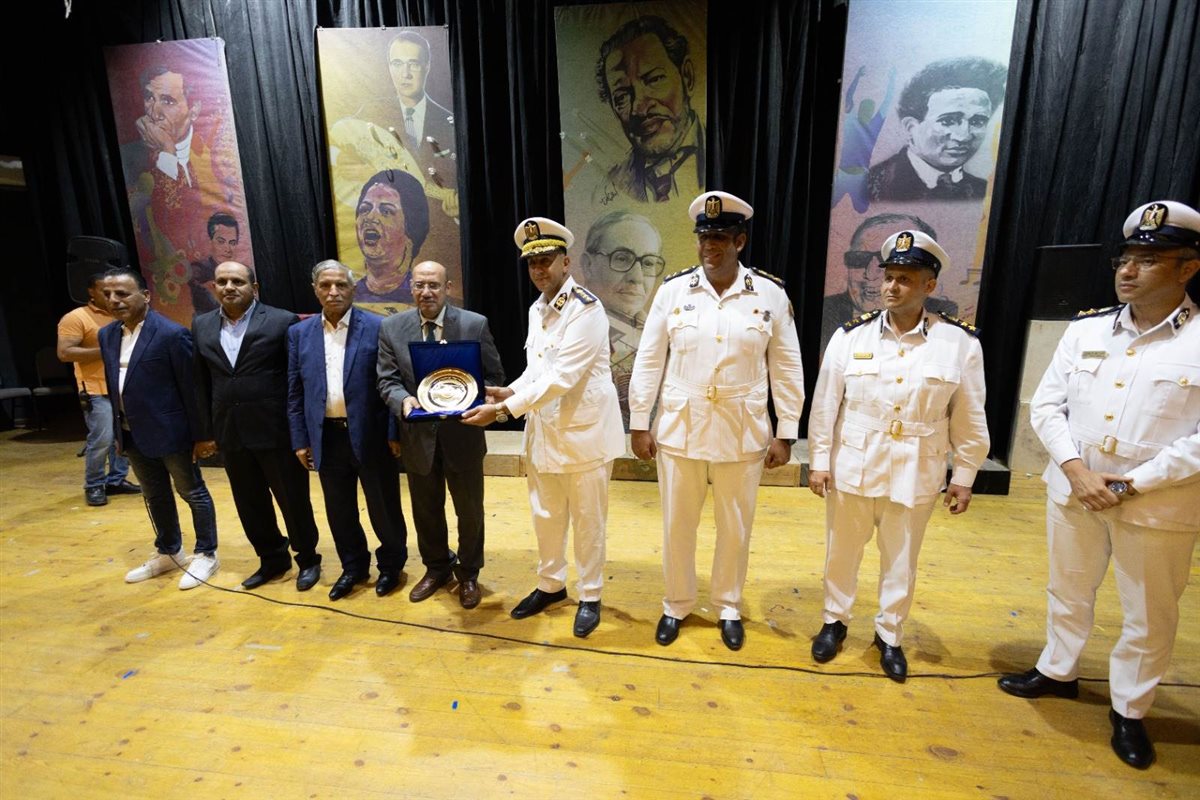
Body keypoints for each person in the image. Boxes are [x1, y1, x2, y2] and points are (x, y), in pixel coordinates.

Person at [997, 200, 1200, 770]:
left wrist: (1132, 485)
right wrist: (1076, 471)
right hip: (1074, 489)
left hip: (1160, 503)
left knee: (1149, 611)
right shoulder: (1086, 330)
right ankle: (1058, 670)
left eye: (1149, 260)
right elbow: (1046, 406)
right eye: (1125, 258)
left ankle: (1130, 709)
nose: (1129, 270)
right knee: (1069, 588)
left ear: (1188, 268)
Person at [628, 191, 806, 651]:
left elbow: (787, 366)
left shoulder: (769, 294)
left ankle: (728, 605)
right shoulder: (673, 292)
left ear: (739, 241)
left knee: (735, 526)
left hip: (741, 430)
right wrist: (639, 421)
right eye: (704, 238)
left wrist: (787, 431)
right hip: (680, 427)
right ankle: (677, 603)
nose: (710, 246)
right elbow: (649, 359)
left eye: (721, 238)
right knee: (677, 525)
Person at [807, 230, 988, 680]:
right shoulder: (850, 337)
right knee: (841, 552)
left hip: (915, 468)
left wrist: (964, 475)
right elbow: (825, 406)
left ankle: (889, 634)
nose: (890, 286)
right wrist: (819, 461)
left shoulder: (959, 344)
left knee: (902, 560)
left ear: (930, 285)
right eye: (889, 276)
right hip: (854, 464)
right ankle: (834, 621)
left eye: (905, 279)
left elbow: (969, 415)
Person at [462, 218, 624, 638]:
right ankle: (551, 585)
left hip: (584, 434)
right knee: (546, 515)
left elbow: (563, 377)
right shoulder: (539, 308)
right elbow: (538, 369)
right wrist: (508, 390)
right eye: (532, 262)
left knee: (588, 521)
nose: (539, 269)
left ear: (566, 262)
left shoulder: (586, 308)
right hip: (545, 432)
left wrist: (504, 411)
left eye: (546, 260)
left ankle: (590, 595)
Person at [377, 261, 505, 608]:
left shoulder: (474, 324)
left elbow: (494, 376)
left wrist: (478, 397)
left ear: (448, 287)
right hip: (417, 438)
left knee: (470, 512)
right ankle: (436, 569)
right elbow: (387, 380)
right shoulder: (392, 327)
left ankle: (469, 574)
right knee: (426, 511)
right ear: (411, 287)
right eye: (419, 285)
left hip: (463, 435)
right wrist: (402, 400)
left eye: (433, 285)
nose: (426, 292)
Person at [192, 261, 323, 591]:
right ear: (214, 287)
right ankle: (272, 559)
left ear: (254, 288)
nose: (229, 287)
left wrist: (301, 431)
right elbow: (201, 382)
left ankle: (308, 559)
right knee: (249, 503)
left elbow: (296, 380)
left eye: (237, 281)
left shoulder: (281, 321)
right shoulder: (201, 324)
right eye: (222, 281)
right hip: (230, 431)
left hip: (276, 430)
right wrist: (205, 431)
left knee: (293, 501)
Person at [287, 260, 409, 600]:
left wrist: (393, 432)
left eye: (341, 285)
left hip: (371, 435)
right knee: (339, 510)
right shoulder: (299, 334)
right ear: (315, 290)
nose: (333, 292)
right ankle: (353, 567)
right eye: (325, 285)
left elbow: (392, 383)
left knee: (383, 507)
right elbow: (295, 390)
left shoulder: (378, 327)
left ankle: (391, 566)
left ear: (354, 289)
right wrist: (300, 439)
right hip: (325, 437)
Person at [97, 268, 219, 589]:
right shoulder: (107, 335)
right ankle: (169, 551)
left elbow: (192, 389)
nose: (114, 300)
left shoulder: (171, 334)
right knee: (154, 495)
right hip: (132, 433)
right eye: (108, 295)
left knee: (192, 492)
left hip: (172, 432)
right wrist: (118, 433)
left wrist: (203, 435)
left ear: (146, 295)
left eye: (122, 294)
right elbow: (114, 386)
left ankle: (206, 553)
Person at [594, 16, 704, 204]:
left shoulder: (724, 159)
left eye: (654, 79)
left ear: (687, 77)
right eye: (622, 96)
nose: (639, 108)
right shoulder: (609, 186)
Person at [867, 57, 1007, 202]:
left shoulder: (985, 192)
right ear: (911, 127)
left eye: (977, 121)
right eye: (948, 121)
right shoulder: (869, 187)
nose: (964, 136)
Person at [57, 272, 141, 507]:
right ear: (92, 292)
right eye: (106, 292)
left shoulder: (122, 315)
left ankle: (116, 479)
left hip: (122, 386)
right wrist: (105, 350)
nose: (113, 296)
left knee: (123, 436)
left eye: (117, 291)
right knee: (102, 438)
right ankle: (94, 484)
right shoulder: (76, 317)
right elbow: (64, 352)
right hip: (95, 388)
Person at [578, 211, 666, 427]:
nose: (637, 277)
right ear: (588, 265)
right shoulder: (569, 328)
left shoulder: (666, 334)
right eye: (621, 258)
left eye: (648, 263)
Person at [821, 213, 958, 350]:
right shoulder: (845, 336)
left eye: (904, 279)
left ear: (929, 286)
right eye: (859, 258)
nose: (870, 275)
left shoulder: (957, 341)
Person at [353, 170, 431, 304]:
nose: (370, 217)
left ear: (410, 227)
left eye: (386, 211)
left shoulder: (426, 298)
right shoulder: (349, 297)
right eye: (365, 209)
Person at [388, 30, 456, 181]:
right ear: (389, 67)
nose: (405, 74)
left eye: (413, 64)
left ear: (427, 67)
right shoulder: (371, 114)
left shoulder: (449, 122)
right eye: (397, 64)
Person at [188, 212, 239, 316]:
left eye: (232, 243)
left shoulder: (241, 272)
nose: (228, 249)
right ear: (210, 241)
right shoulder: (199, 270)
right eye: (221, 241)